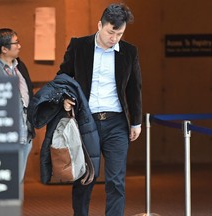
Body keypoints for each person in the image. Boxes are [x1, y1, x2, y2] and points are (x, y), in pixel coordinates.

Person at [59, 3, 142, 216]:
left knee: (116, 180)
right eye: (110, 32)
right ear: (100, 25)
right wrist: (65, 97)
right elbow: (63, 76)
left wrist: (136, 121)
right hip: (87, 121)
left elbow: (134, 88)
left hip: (117, 123)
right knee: (85, 177)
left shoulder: (129, 52)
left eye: (120, 33)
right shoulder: (79, 46)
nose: (114, 38)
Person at [0, 28, 35, 182]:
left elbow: (28, 96)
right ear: (4, 49)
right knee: (2, 182)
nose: (19, 46)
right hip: (3, 138)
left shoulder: (21, 67)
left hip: (25, 135)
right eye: (16, 42)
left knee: (17, 182)